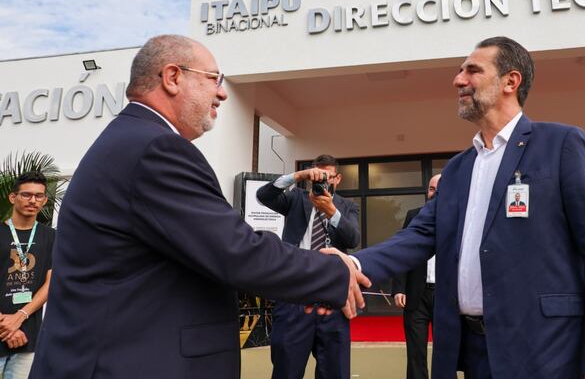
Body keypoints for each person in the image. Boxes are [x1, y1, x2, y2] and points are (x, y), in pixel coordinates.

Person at [29, 35, 368, 379]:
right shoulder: (156, 148)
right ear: (173, 77)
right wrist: (332, 273)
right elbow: (236, 252)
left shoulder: (132, 139)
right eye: (214, 79)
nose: (222, 92)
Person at [326, 36, 585, 379]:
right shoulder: (458, 169)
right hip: (472, 353)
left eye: (472, 70)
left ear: (510, 82)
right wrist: (352, 263)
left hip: (548, 350)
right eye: (459, 72)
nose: (458, 80)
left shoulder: (561, 145)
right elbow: (419, 236)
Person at [256, 155, 360, 379]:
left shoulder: (347, 206)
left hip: (331, 298)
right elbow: (263, 195)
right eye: (317, 175)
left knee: (335, 371)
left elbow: (352, 239)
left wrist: (331, 210)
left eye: (327, 177)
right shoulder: (297, 199)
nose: (322, 181)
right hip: (294, 293)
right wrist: (297, 176)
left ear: (338, 179)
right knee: (287, 369)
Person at [0, 172, 55, 379]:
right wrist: (7, 325)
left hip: (28, 339)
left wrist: (20, 316)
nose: (33, 200)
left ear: (45, 200)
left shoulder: (50, 236)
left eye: (39, 196)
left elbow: (51, 283)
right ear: (13, 197)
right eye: (26, 195)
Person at [392, 173, 441, 379]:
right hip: (416, 295)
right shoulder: (414, 215)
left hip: (446, 296)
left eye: (439, 189)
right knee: (415, 353)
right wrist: (399, 288)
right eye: (431, 189)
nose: (435, 193)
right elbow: (402, 252)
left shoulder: (460, 215)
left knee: (445, 352)